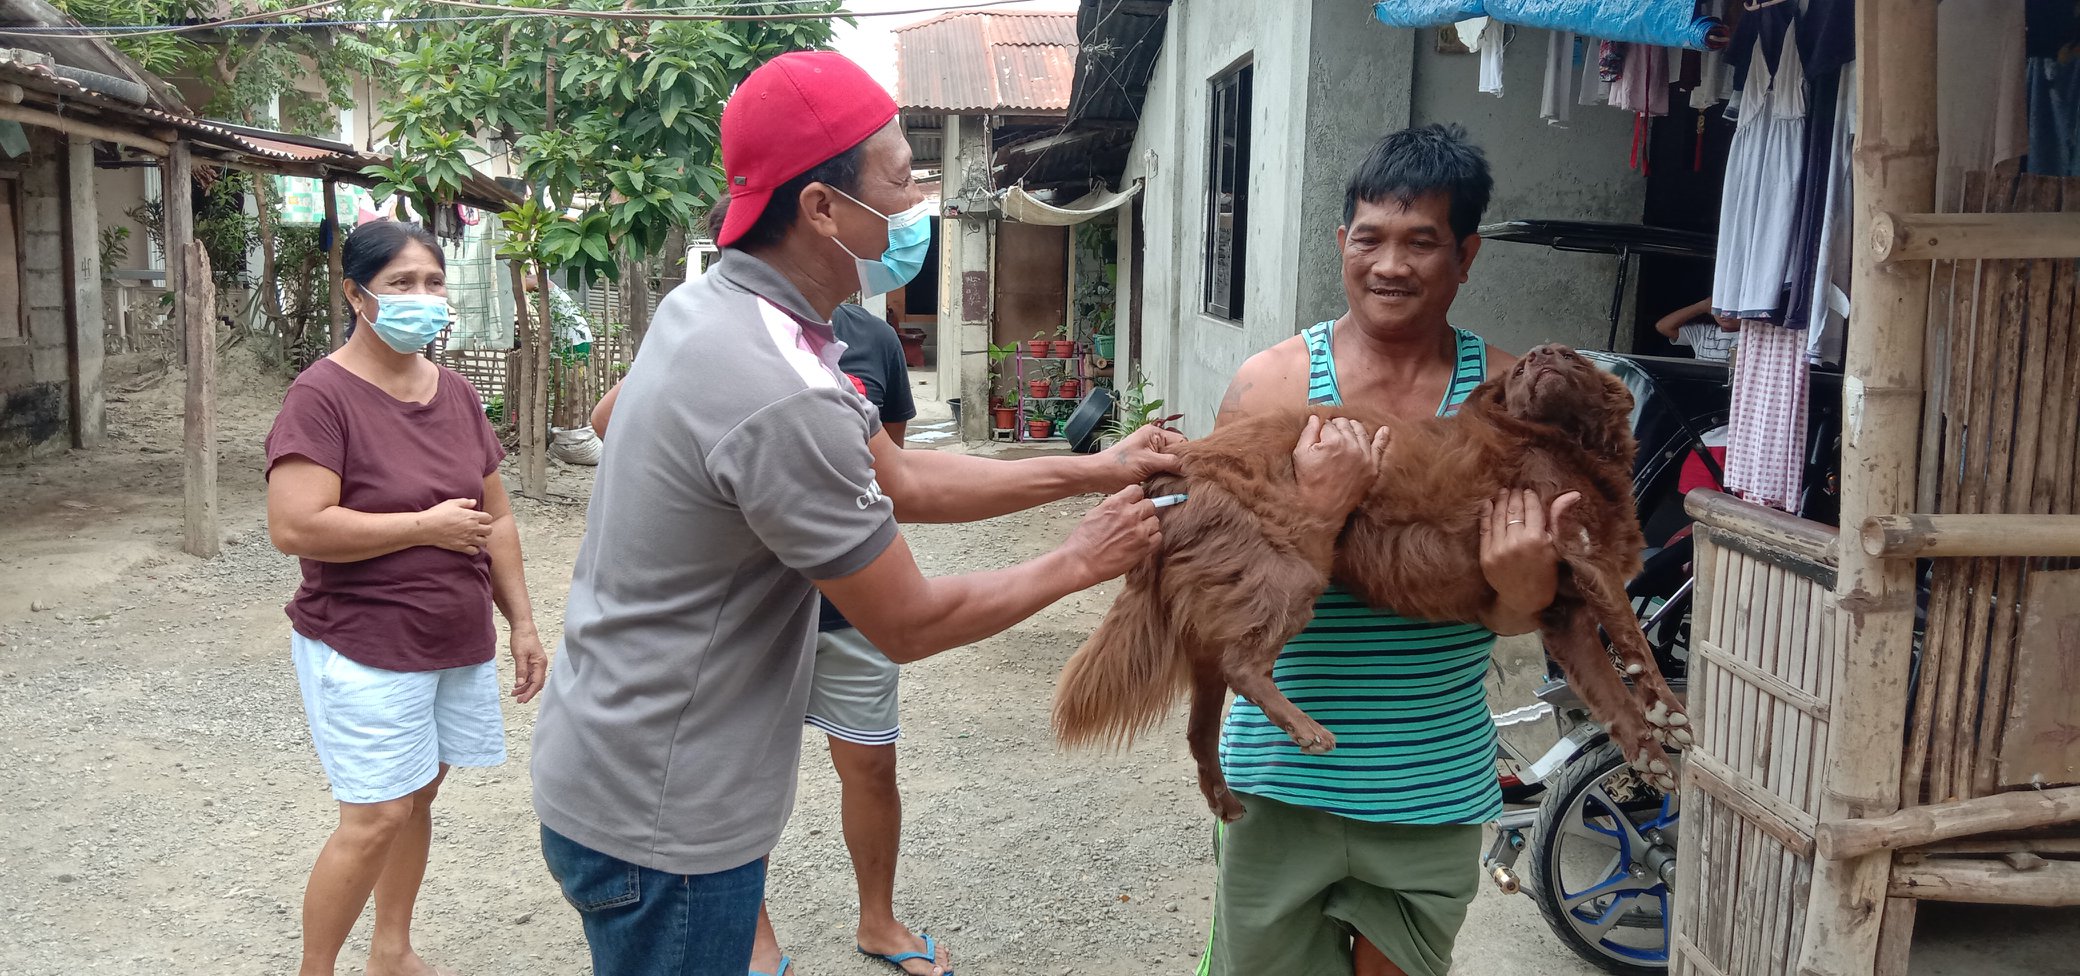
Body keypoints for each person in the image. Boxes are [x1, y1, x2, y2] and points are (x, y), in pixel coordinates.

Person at [528, 50, 1184, 976]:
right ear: (822, 208)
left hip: (620, 767)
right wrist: (1079, 561)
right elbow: (908, 623)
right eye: (894, 176)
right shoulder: (780, 390)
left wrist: (1094, 471)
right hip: (663, 816)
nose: (913, 198)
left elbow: (905, 485)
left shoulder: (725, 312)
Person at [1195, 124, 1578, 976]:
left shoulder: (1508, 398)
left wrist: (1524, 589)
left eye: (1422, 242)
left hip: (1431, 782)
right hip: (1278, 779)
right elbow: (1212, 581)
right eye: (1369, 238)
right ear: (1341, 243)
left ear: (1467, 253)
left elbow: (1515, 611)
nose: (1390, 265)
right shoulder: (1274, 386)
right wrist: (1317, 516)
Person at [591, 275, 929, 976]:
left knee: (869, 764)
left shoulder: (869, 341)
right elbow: (609, 421)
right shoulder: (703, 333)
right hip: (748, 611)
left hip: (846, 599)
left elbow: (888, 477)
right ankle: (755, 940)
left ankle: (879, 921)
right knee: (740, 779)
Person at [265, 219, 549, 976]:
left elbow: (498, 518)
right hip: (364, 639)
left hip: (451, 636)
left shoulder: (454, 392)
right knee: (376, 814)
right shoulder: (320, 396)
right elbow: (295, 526)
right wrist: (422, 525)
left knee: (418, 797)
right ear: (357, 295)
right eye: (400, 285)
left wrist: (521, 621)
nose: (422, 298)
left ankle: (391, 951)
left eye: (432, 282)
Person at [1653, 296, 1739, 363]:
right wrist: (1702, 306)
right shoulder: (1703, 332)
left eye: (1733, 307)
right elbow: (1663, 327)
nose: (1725, 313)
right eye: (1719, 306)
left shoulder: (1750, 336)